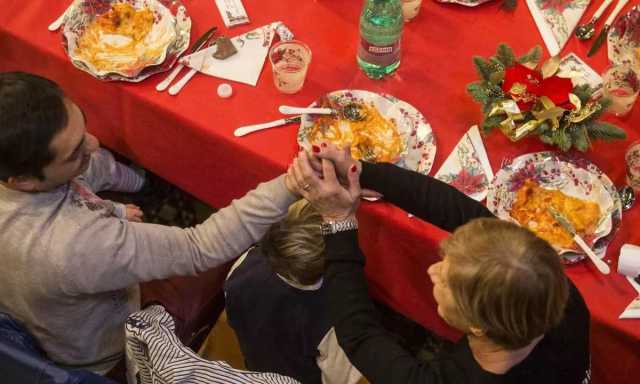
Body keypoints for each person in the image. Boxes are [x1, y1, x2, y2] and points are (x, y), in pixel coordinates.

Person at [0, 72, 299, 375]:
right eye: (75, 153)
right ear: (23, 181)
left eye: (85, 125)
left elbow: (89, 174)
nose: (94, 142)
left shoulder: (24, 172)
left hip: (53, 314)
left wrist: (139, 185)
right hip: (108, 348)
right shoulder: (77, 245)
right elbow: (199, 247)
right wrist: (293, 183)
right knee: (242, 264)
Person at [286, 144, 591, 383]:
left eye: (446, 281)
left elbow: (359, 334)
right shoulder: (552, 290)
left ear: (477, 326)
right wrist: (361, 171)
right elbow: (459, 211)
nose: (433, 270)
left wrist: (337, 221)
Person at [224, 199, 362, 384]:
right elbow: (341, 379)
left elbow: (235, 317)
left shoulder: (243, 267)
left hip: (257, 370)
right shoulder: (334, 319)